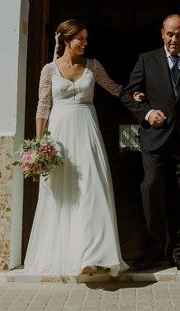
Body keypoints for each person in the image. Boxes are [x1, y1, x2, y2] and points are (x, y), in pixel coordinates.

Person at [23, 19, 139, 276]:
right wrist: (39, 145)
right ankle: (68, 254)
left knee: (92, 188)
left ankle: (92, 254)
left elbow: (113, 88)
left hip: (87, 132)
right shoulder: (48, 70)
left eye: (86, 39)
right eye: (80, 39)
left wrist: (135, 95)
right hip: (59, 136)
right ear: (65, 40)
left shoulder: (93, 66)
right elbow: (43, 106)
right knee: (62, 193)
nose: (85, 43)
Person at [121, 14, 180, 272]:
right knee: (151, 190)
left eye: (179, 34)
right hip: (154, 141)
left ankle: (179, 253)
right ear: (162, 33)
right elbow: (128, 94)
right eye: (170, 34)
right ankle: (153, 249)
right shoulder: (147, 59)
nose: (174, 39)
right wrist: (147, 113)